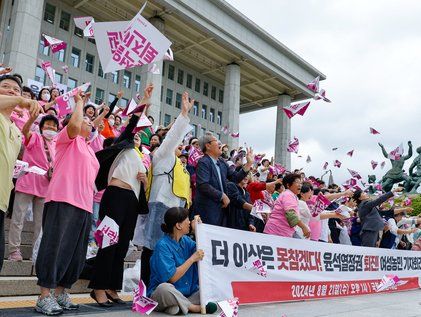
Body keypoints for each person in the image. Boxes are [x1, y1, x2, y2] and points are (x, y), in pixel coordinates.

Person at [35, 90, 99, 315]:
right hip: (62, 199)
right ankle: (44, 296)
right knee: (54, 247)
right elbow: (74, 126)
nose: (90, 124)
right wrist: (80, 102)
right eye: (86, 121)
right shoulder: (66, 139)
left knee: (75, 253)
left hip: (84, 206)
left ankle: (61, 291)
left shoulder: (89, 149)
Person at [88, 87, 151, 307]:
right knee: (109, 242)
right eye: (135, 136)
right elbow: (132, 124)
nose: (137, 138)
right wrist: (144, 100)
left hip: (131, 201)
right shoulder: (122, 145)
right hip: (114, 196)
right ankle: (98, 287)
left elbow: (140, 182)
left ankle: (112, 286)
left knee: (122, 245)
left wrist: (144, 180)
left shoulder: (139, 155)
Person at [135, 91, 193, 289]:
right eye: (179, 144)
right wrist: (183, 115)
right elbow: (173, 137)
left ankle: (161, 286)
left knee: (167, 251)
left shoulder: (179, 165)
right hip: (160, 206)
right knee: (152, 249)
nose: (181, 146)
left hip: (174, 210)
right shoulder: (162, 154)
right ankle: (145, 289)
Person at [0, 74, 41, 272]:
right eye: (5, 86)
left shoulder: (16, 131)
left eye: (16, 89)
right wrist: (20, 98)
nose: (11, 91)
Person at [8, 113, 58, 261]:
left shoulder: (55, 144)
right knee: (18, 218)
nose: (51, 127)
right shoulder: (35, 137)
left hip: (45, 186)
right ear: (42, 127)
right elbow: (25, 131)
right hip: (28, 182)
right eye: (48, 124)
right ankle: (14, 251)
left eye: (54, 125)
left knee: (40, 223)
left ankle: (36, 253)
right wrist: (31, 119)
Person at [148, 207, 217, 315]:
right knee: (164, 288)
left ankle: (178, 307)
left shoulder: (186, 240)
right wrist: (192, 259)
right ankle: (193, 308)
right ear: (178, 225)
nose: (190, 222)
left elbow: (203, 250)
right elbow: (172, 278)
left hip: (187, 294)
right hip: (164, 294)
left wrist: (198, 231)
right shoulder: (162, 246)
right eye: (187, 220)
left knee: (209, 288)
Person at [194, 134, 253, 226]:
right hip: (208, 210)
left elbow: (235, 178)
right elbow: (203, 185)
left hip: (222, 210)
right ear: (208, 145)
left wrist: (249, 164)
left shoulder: (222, 162)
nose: (219, 144)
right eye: (216, 141)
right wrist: (222, 196)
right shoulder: (203, 162)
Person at [264, 173, 310, 238]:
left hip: (281, 232)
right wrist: (304, 227)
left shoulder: (292, 195)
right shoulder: (288, 195)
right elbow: (291, 214)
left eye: (301, 183)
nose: (300, 185)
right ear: (288, 185)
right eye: (297, 182)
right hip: (276, 232)